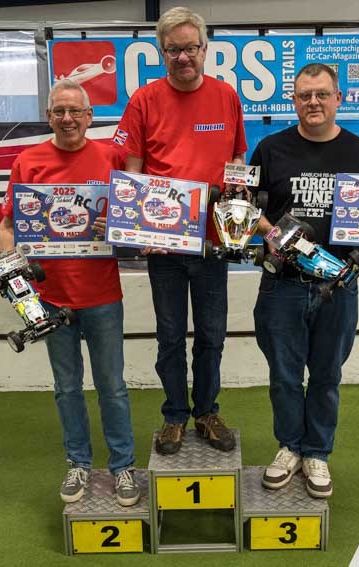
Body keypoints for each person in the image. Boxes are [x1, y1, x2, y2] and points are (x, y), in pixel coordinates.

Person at [0, 79, 140, 506]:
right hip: (49, 297)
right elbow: (7, 226)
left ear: (89, 116)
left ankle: (123, 467)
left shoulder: (112, 157)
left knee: (112, 386)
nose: (67, 118)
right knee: (66, 387)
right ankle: (78, 463)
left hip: (102, 296)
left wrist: (117, 223)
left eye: (75, 111)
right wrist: (12, 272)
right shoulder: (28, 161)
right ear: (48, 117)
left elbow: (135, 219)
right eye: (59, 111)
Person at [115, 6, 247, 455]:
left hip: (212, 243)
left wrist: (237, 211)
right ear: (162, 53)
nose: (183, 57)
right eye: (173, 50)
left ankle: (206, 411)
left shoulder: (226, 97)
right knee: (170, 336)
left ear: (205, 49)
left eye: (190, 48)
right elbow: (132, 170)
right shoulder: (143, 100)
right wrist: (138, 229)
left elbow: (237, 162)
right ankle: (174, 416)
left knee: (211, 335)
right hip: (164, 246)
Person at [251, 63, 359, 498]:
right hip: (283, 284)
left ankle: (317, 453)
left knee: (327, 375)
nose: (313, 102)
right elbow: (246, 209)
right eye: (305, 95)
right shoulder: (270, 149)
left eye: (322, 94)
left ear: (338, 99)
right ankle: (290, 447)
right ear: (293, 100)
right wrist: (275, 235)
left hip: (339, 285)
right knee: (284, 375)